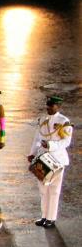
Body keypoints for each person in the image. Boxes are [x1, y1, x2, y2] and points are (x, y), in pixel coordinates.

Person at [28, 95, 72, 228]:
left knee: (54, 190)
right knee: (43, 189)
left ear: (58, 106)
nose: (48, 108)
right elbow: (37, 138)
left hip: (57, 159)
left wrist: (51, 145)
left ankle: (51, 218)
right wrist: (32, 153)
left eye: (51, 105)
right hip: (42, 157)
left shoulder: (64, 121)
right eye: (48, 105)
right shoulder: (42, 119)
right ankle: (44, 216)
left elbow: (66, 141)